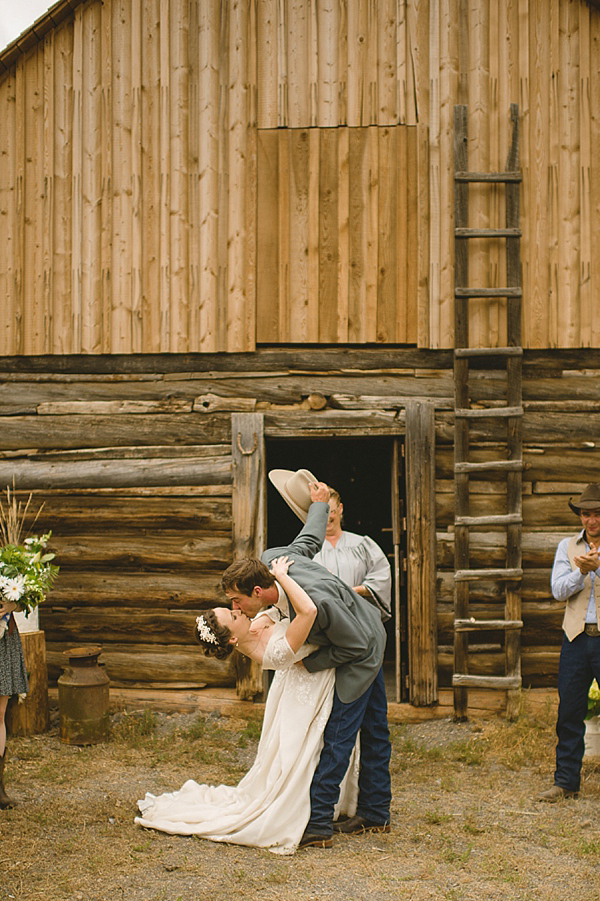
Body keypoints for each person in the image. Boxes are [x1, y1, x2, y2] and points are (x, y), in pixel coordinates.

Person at [135, 556, 358, 854]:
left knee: (308, 750)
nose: (237, 609)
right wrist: (281, 576)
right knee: (304, 753)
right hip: (308, 692)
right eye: (233, 615)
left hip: (300, 689)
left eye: (232, 607)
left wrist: (268, 613)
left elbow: (277, 614)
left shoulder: (252, 628)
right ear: (231, 640)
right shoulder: (273, 651)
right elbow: (307, 611)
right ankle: (313, 811)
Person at [226, 469, 391, 848]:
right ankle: (376, 811)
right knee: (375, 729)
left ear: (257, 590)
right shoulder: (274, 560)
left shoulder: (320, 603)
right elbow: (308, 539)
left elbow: (352, 647)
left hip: (364, 648)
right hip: (362, 634)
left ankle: (318, 824)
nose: (236, 608)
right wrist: (318, 507)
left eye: (239, 602)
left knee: (338, 735)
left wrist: (307, 663)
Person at [539, 483, 600, 802]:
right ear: (580, 516)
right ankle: (566, 782)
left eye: (597, 514)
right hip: (576, 639)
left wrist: (598, 568)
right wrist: (580, 573)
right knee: (570, 712)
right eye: (586, 514)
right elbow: (558, 590)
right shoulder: (567, 546)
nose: (591, 521)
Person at [313, 486, 392, 621]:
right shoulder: (311, 549)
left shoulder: (361, 544)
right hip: (323, 618)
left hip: (358, 616)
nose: (327, 518)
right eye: (322, 513)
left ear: (340, 508)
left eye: (331, 511)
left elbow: (381, 575)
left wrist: (356, 591)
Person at [0, 599, 28, 809]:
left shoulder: (10, 565)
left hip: (3, 641)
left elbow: (28, 597)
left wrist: (12, 606)